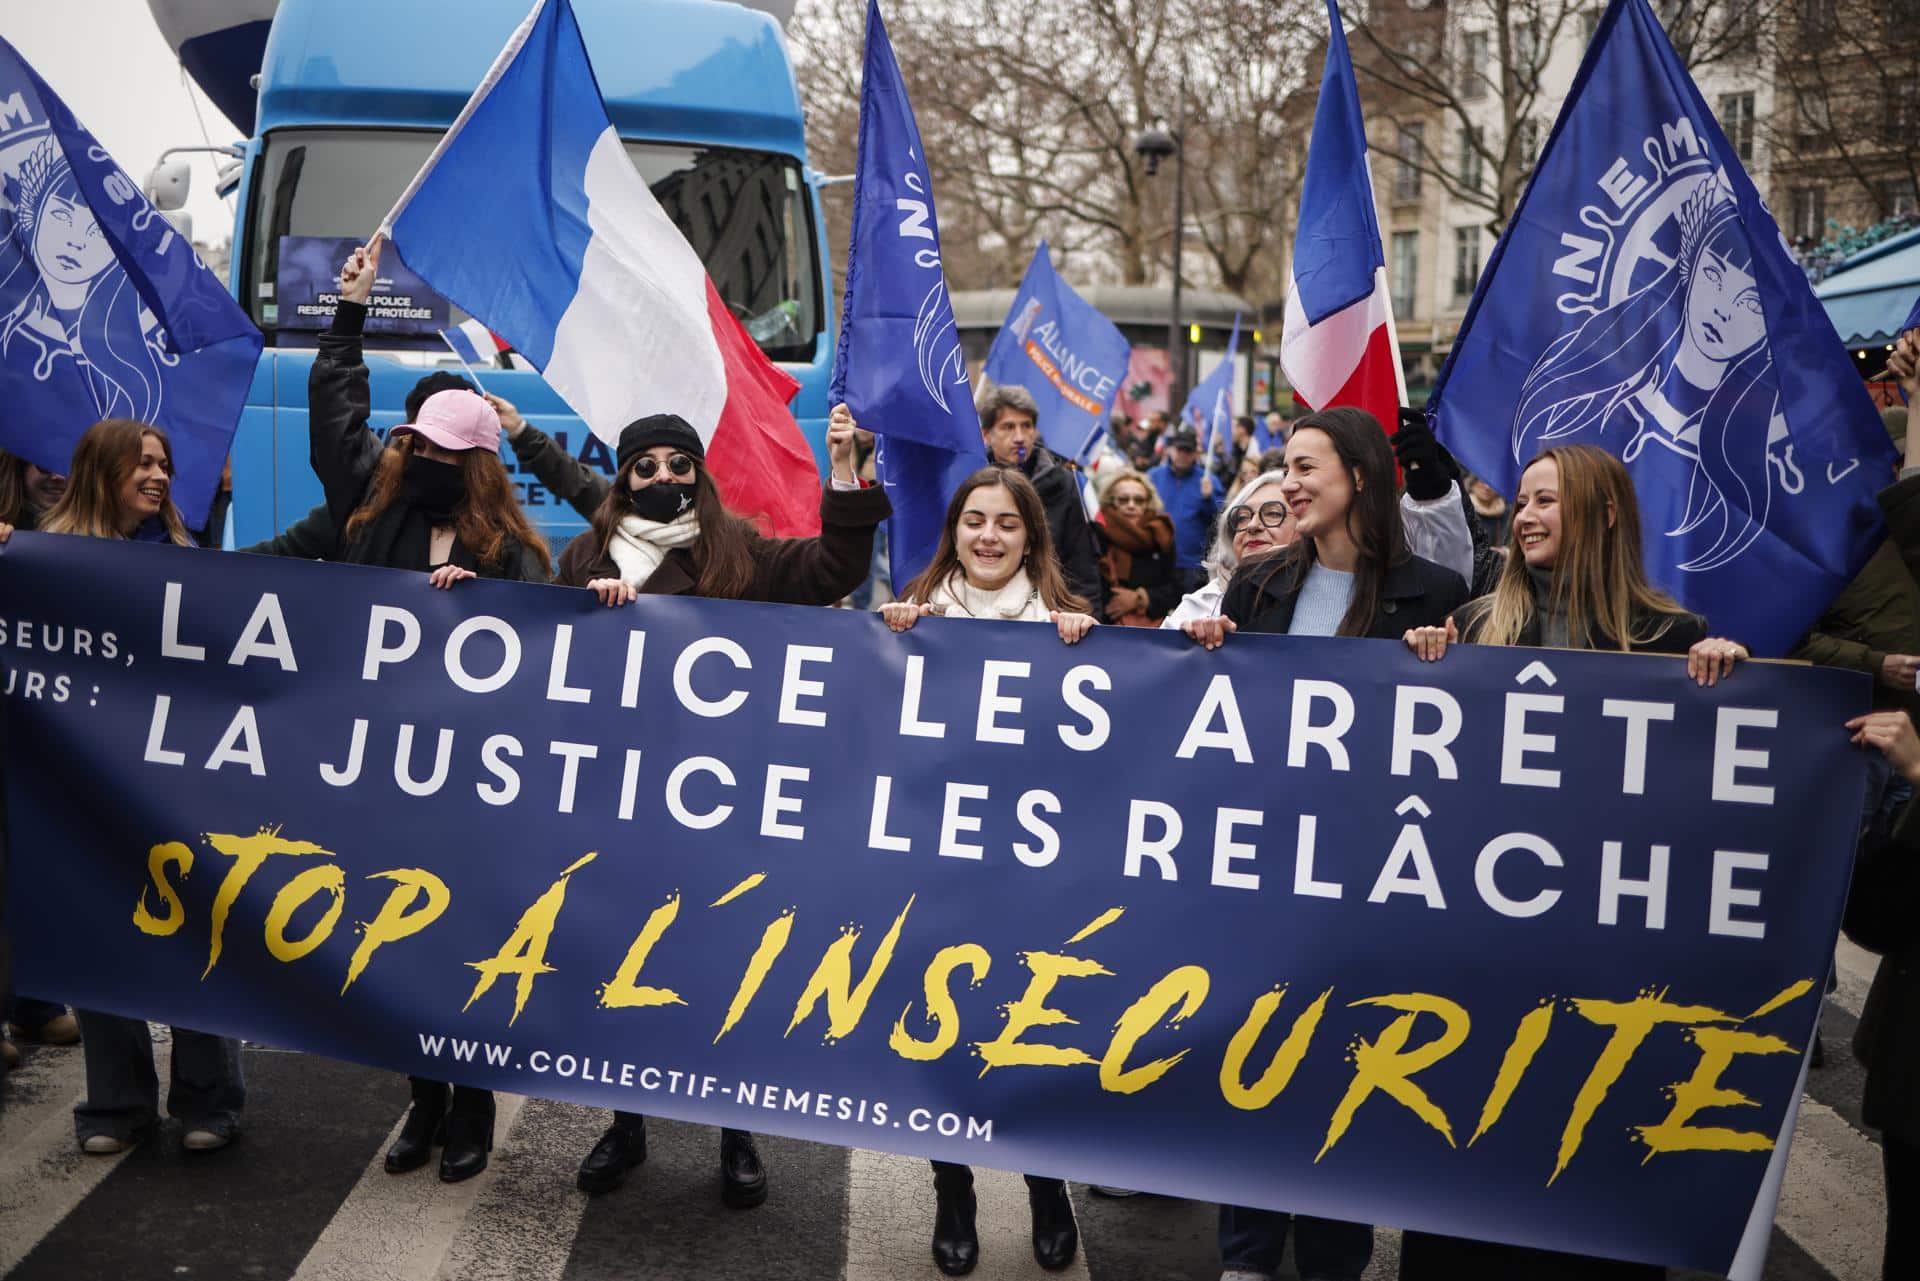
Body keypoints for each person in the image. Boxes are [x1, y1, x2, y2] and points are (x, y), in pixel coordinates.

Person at [1398, 445, 1752, 1279]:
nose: (1523, 517)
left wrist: (1734, 690)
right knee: (1469, 1156)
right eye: (1520, 501)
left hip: (1605, 958)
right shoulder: (1480, 625)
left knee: (1585, 1143)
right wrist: (1412, 667)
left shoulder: (1673, 637)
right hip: (1482, 951)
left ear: (1605, 513)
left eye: (1546, 500)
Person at [556, 401, 888, 1208]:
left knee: (719, 968)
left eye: (679, 463)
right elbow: (540, 657)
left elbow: (832, 568)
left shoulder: (738, 549)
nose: (664, 477)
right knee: (621, 965)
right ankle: (627, 1123)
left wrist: (843, 472)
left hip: (720, 801)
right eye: (647, 465)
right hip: (622, 802)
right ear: (623, 477)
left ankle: (733, 1130)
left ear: (699, 475)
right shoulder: (583, 556)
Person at [1183, 407, 1464, 1281]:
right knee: (1257, 1051)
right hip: (1266, 868)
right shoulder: (1257, 587)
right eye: (1285, 466)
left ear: (1362, 475)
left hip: (1370, 877)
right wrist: (1205, 653)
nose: (1291, 483)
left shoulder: (1442, 594)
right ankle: (1249, 1253)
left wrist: (1446, 665)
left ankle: (1336, 1255)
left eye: (1306, 467)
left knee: (1348, 1062)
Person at [317, 241, 551, 1183]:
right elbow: (334, 428)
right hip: (389, 779)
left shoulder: (515, 551)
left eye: (443, 454)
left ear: (478, 465)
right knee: (400, 946)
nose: (419, 461)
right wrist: (349, 316)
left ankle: (472, 1109)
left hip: (479, 796)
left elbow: (552, 647)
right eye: (414, 447)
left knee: (464, 952)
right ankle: (421, 1103)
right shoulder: (373, 524)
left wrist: (484, 603)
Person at [1, 419, 247, 1153]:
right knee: (97, 942)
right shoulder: (37, 555)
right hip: (78, 790)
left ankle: (210, 1100)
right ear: (99, 469)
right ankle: (115, 1106)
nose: (159, 475)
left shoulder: (184, 558)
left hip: (173, 789)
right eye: (141, 462)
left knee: (196, 940)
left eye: (165, 464)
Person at [878, 467, 1092, 1275]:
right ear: (954, 532)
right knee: (945, 1032)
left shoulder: (1068, 629)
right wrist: (888, 641)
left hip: (1032, 880)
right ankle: (953, 1189)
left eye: (1007, 523)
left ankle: (1046, 1186)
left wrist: (1087, 654)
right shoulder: (913, 619)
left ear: (1032, 537)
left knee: (1027, 1027)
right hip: (937, 875)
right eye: (975, 521)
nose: (989, 536)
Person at [0, 449, 83, 1056]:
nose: (55, 475)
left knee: (39, 866)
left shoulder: (79, 531)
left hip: (48, 738)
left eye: (66, 462)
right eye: (42, 461)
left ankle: (32, 1002)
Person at [976, 382, 1104, 613]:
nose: (1019, 437)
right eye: (1008, 427)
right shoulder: (971, 484)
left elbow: (1081, 565)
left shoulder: (1063, 482)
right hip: (983, 608)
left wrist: (1087, 617)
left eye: (1026, 426)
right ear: (987, 435)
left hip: (1047, 614)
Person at [1097, 470, 1179, 625]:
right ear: (1111, 501)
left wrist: (1140, 599)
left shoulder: (1161, 535)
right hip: (1105, 627)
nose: (1131, 505)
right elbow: (1087, 583)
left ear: (1148, 503)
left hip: (1150, 632)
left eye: (1138, 500)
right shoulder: (1097, 533)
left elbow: (1176, 588)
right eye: (1123, 499)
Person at [1148, 426, 1220, 592]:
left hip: (1191, 563)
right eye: (1179, 449)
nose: (1183, 454)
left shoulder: (1208, 481)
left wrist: (1209, 498)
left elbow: (1219, 521)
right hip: (1157, 558)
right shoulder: (1153, 476)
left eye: (1188, 450)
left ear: (1195, 454)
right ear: (1170, 450)